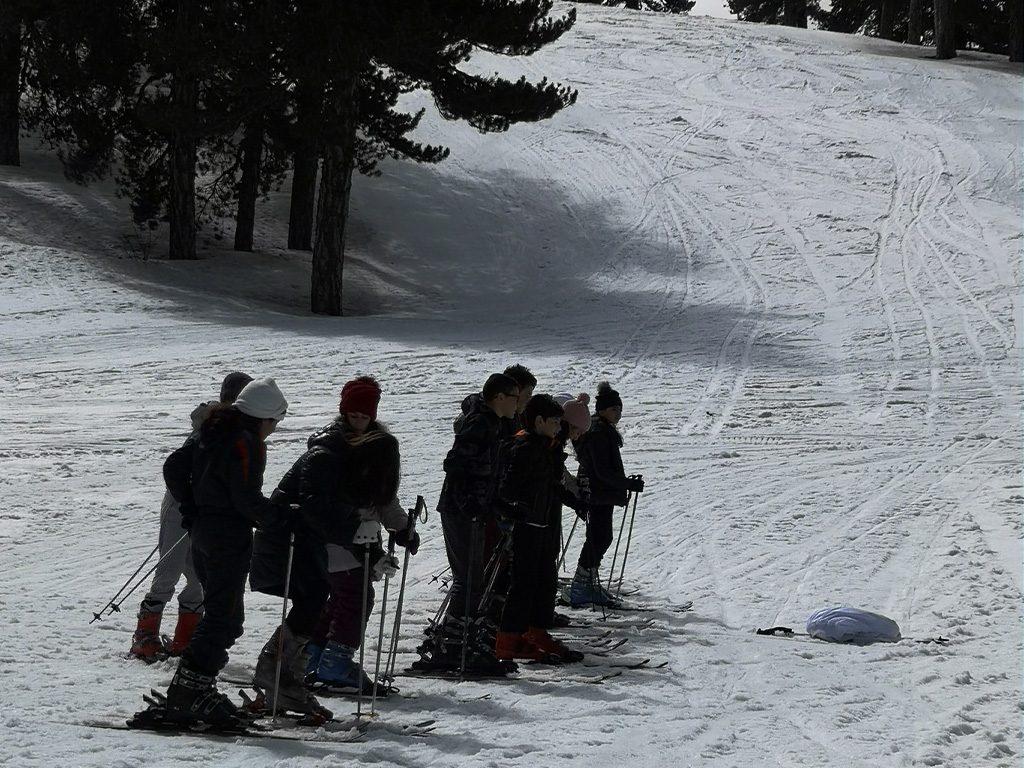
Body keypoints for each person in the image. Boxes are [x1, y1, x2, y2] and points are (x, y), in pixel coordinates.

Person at [160, 377, 289, 728]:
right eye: (274, 422)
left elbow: (174, 466)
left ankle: (192, 688)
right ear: (263, 417)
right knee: (224, 618)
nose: (273, 430)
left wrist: (191, 507)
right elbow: (246, 500)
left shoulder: (212, 432)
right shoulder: (247, 443)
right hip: (226, 540)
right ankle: (190, 692)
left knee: (222, 616)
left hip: (203, 535)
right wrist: (281, 516)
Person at [301, 377, 417, 694]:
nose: (359, 422)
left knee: (342, 597)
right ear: (344, 412)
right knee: (356, 597)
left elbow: (383, 499)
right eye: (353, 415)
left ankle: (315, 656)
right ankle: (335, 661)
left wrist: (402, 528)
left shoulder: (378, 446)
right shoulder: (332, 447)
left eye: (365, 417)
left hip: (364, 538)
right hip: (339, 535)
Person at [130, 371, 252, 661]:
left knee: (198, 574)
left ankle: (185, 639)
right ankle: (144, 635)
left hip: (206, 513)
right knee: (170, 569)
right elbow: (176, 468)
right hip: (180, 507)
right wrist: (189, 502)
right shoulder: (208, 428)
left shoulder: (240, 430)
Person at [415, 372, 520, 675]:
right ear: (499, 398)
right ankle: (452, 644)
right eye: (514, 397)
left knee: (474, 577)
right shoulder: (480, 423)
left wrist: (498, 505)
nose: (518, 404)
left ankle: (463, 641)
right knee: (468, 578)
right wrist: (470, 505)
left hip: (473, 509)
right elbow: (456, 464)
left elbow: (485, 474)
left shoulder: (493, 423)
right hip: (461, 511)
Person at [493, 395, 583, 663]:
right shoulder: (525, 447)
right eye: (555, 421)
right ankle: (509, 639)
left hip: (542, 523)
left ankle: (536, 632)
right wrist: (515, 511)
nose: (559, 426)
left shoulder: (545, 447)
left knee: (545, 580)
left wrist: (573, 499)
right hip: (527, 526)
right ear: (539, 421)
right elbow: (508, 488)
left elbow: (547, 484)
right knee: (524, 583)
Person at [565, 382, 644, 608]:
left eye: (619, 410)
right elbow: (602, 470)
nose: (617, 414)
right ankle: (581, 585)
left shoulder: (601, 429)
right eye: (613, 410)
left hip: (600, 493)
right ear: (601, 410)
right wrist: (626, 484)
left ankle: (586, 581)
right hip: (597, 493)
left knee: (599, 537)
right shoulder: (599, 433)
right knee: (599, 537)